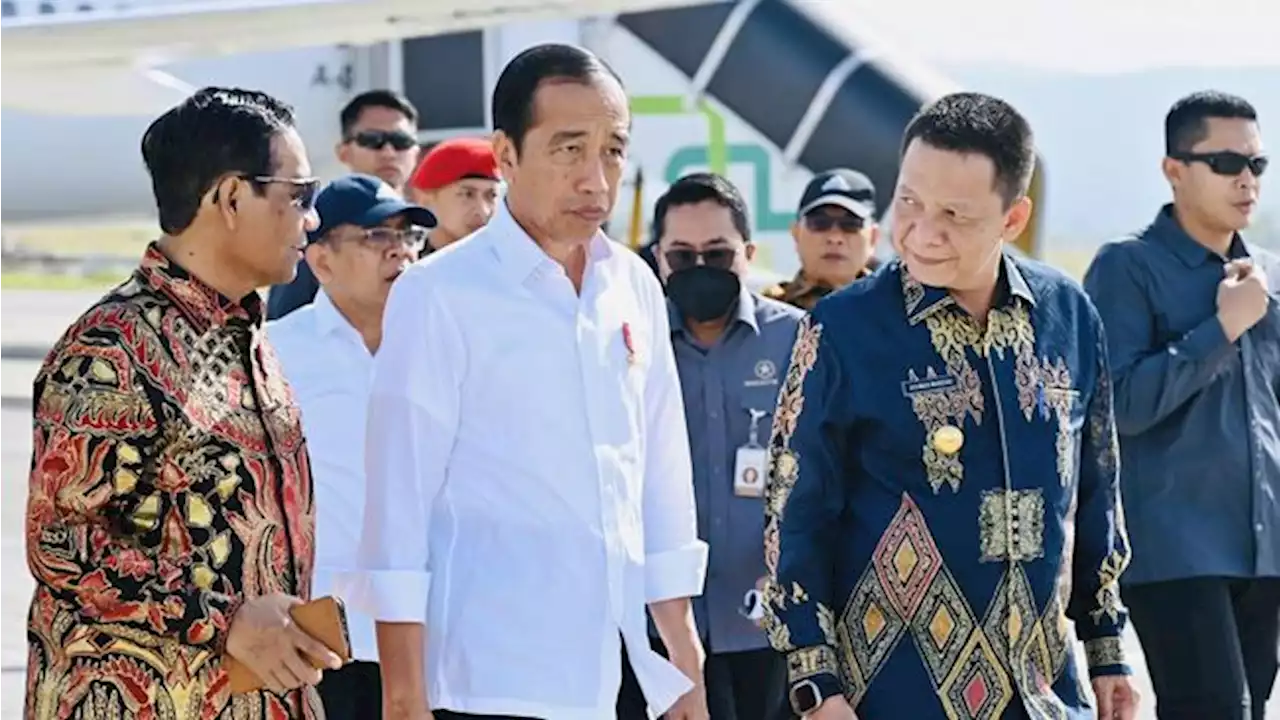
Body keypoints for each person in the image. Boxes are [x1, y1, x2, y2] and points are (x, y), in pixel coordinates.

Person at [341, 43, 710, 720]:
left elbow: (659, 474)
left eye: (614, 150)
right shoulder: (439, 295)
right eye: (570, 149)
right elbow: (398, 509)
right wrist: (402, 695)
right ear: (505, 155)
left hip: (625, 670)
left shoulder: (633, 285)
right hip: (492, 680)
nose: (597, 179)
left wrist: (683, 653)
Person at [761, 92, 1140, 720]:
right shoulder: (843, 329)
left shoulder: (1069, 316)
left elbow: (1097, 490)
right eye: (908, 201)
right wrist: (815, 684)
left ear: (1012, 218)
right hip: (885, 697)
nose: (922, 232)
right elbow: (793, 513)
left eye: (954, 215)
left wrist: (1107, 647)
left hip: (1043, 695)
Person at [23, 86, 339, 719]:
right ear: (229, 198)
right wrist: (226, 622)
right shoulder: (112, 349)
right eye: (299, 196)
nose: (312, 220)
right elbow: (63, 542)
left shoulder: (247, 337)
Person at [1083, 90, 1280, 720]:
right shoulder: (1127, 267)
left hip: (1266, 547)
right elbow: (1122, 408)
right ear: (1174, 169)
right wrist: (1220, 330)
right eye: (1226, 163)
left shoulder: (1268, 275)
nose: (1246, 180)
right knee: (1214, 708)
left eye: (1257, 165)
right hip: (1176, 550)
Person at [615, 173, 801, 720]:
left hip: (770, 626)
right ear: (658, 257)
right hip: (654, 629)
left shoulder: (799, 340)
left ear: (748, 252)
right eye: (682, 255)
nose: (700, 270)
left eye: (717, 255)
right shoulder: (626, 345)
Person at [267, 174, 435, 720]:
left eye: (409, 236)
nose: (400, 251)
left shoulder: (447, 347)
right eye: (375, 237)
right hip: (320, 637)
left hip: (434, 628)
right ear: (321, 261)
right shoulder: (277, 355)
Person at [267, 89, 422, 320]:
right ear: (343, 152)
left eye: (401, 141)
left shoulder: (432, 229)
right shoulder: (314, 226)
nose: (389, 152)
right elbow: (287, 322)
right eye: (373, 140)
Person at [761, 168, 881, 310]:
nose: (835, 238)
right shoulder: (766, 313)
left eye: (850, 225)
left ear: (873, 237)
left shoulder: (898, 314)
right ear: (796, 233)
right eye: (820, 223)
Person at [405, 136, 501, 256]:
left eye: (491, 195)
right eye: (468, 194)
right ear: (427, 201)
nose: (483, 211)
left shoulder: (512, 268)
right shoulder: (407, 268)